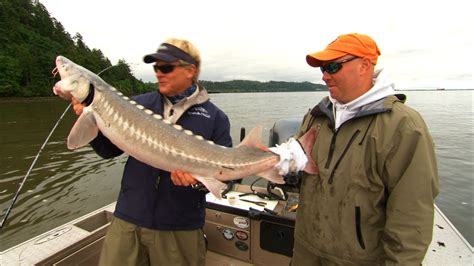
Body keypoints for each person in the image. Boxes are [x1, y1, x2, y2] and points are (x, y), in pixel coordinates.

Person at [280, 33, 439, 265]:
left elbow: (412, 216)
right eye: (322, 68)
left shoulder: (403, 126)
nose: (325, 76)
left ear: (365, 65)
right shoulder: (317, 116)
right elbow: (294, 162)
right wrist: (282, 164)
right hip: (307, 250)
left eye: (333, 67)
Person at [71, 38, 232, 265]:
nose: (158, 73)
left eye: (166, 67)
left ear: (190, 70)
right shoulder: (138, 104)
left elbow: (229, 177)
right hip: (128, 220)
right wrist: (89, 120)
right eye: (156, 67)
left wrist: (196, 182)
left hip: (180, 228)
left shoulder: (215, 118)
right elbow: (108, 151)